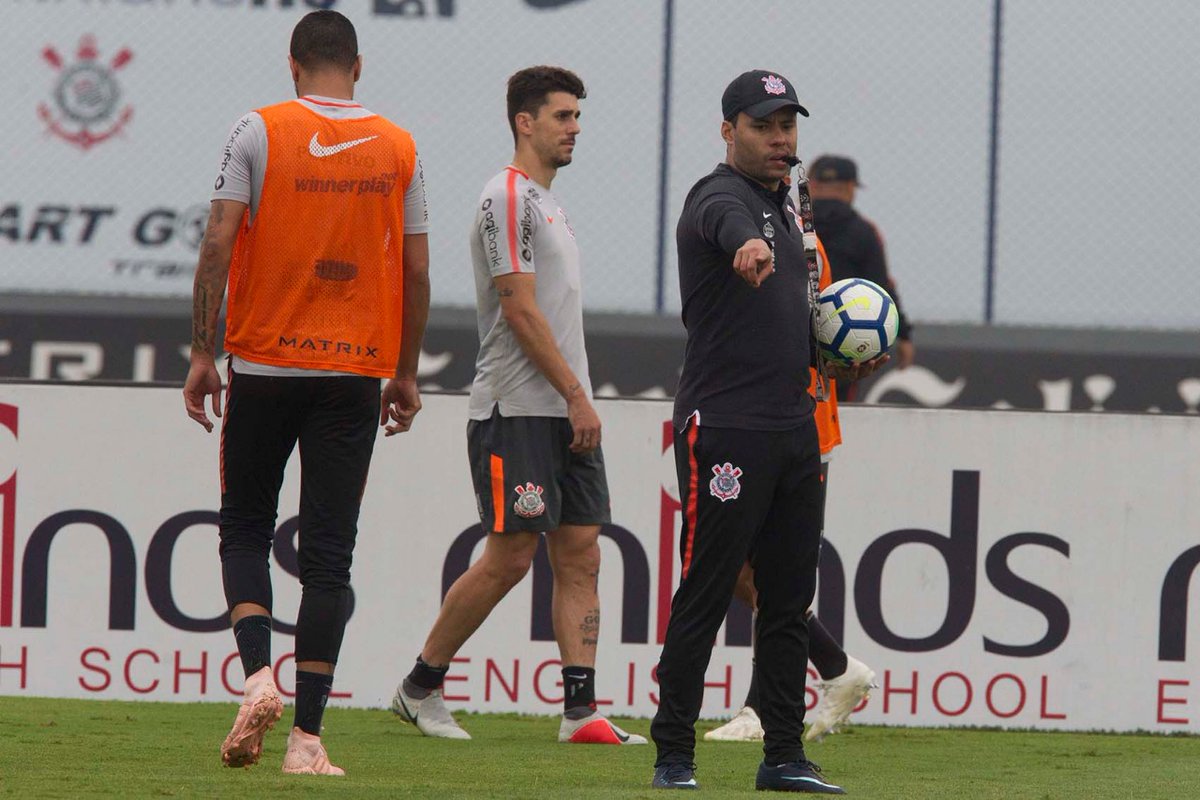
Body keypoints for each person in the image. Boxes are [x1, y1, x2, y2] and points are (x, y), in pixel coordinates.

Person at [182, 10, 430, 776]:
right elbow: (417, 271)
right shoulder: (399, 145)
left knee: (246, 528)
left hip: (263, 365)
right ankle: (308, 743)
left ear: (294, 65)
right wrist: (406, 370)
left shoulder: (257, 129)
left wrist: (201, 350)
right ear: (358, 68)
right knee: (329, 556)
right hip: (353, 372)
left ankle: (258, 676)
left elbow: (218, 239)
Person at [389, 65, 645, 747]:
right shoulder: (506, 199)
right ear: (524, 122)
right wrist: (574, 395)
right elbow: (520, 308)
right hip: (518, 407)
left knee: (582, 552)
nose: (575, 129)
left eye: (577, 117)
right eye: (563, 116)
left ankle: (580, 712)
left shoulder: (548, 203)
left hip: (563, 411)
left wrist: (574, 402)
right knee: (510, 556)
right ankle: (419, 688)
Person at [650, 70, 884, 793]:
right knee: (707, 590)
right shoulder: (720, 197)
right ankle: (674, 759)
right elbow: (727, 227)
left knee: (787, 601)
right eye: (764, 125)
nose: (780, 138)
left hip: (793, 428)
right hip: (725, 427)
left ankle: (783, 757)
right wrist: (746, 248)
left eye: (788, 125)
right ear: (729, 131)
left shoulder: (791, 205)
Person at [704, 242, 876, 746]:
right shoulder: (766, 227)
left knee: (764, 569)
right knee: (740, 564)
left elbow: (793, 330)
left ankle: (762, 710)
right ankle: (836, 668)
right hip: (765, 417)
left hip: (789, 422)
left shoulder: (790, 238)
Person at [809, 154, 915, 401]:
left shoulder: (792, 223)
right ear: (849, 187)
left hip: (792, 338)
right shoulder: (864, 232)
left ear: (812, 185)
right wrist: (905, 334)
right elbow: (881, 289)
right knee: (839, 411)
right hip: (845, 343)